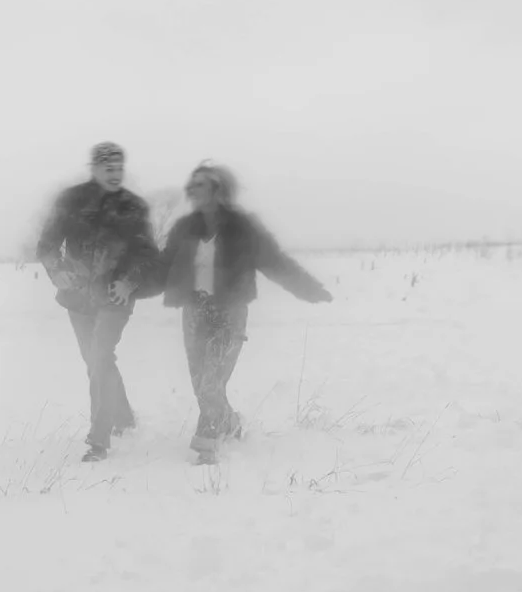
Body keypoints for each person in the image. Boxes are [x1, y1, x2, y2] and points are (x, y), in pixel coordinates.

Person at [157, 161, 333, 463]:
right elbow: (163, 266)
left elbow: (273, 260)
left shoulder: (242, 227)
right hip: (194, 311)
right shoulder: (185, 228)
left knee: (212, 383)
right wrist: (127, 286)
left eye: (201, 184)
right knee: (201, 384)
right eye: (191, 185)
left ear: (218, 189)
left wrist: (307, 287)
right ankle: (231, 423)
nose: (193, 190)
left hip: (229, 310)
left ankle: (207, 443)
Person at [36, 141, 162, 461]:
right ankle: (123, 416)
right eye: (108, 168)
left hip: (115, 297)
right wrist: (58, 271)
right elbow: (48, 245)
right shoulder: (72, 202)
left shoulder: (133, 207)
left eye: (120, 168)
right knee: (96, 361)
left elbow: (148, 255)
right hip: (78, 298)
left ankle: (98, 441)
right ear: (93, 168)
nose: (115, 174)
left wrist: (129, 281)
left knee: (100, 356)